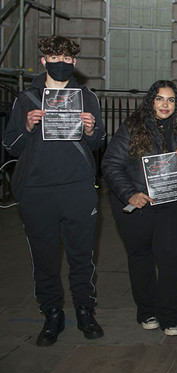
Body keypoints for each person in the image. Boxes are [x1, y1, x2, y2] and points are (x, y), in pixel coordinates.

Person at [2, 35, 105, 346]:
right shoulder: (25, 100)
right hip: (37, 190)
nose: (61, 63)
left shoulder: (87, 98)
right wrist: (28, 127)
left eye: (67, 58)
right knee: (44, 258)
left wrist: (90, 130)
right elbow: (11, 145)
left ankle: (85, 310)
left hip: (77, 188)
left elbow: (96, 143)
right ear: (44, 60)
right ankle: (52, 314)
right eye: (54, 57)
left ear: (73, 62)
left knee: (82, 256)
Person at [102, 80, 177, 336]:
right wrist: (130, 194)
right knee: (140, 258)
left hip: (171, 204)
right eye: (160, 99)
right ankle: (147, 311)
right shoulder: (133, 127)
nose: (165, 105)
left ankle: (172, 317)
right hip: (138, 205)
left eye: (171, 100)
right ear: (151, 100)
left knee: (171, 259)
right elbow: (110, 164)